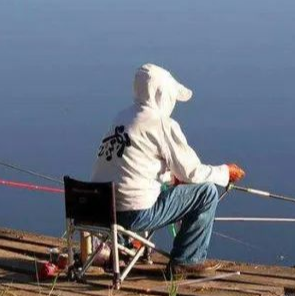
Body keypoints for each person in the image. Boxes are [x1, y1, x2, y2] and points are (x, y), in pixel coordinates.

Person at [91, 64, 246, 277]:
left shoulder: (121, 118)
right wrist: (225, 173)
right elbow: (191, 172)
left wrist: (172, 177)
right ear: (162, 95)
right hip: (134, 214)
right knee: (207, 193)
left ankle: (120, 247)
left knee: (160, 187)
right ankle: (187, 260)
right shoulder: (161, 123)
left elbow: (134, 166)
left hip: (100, 211)